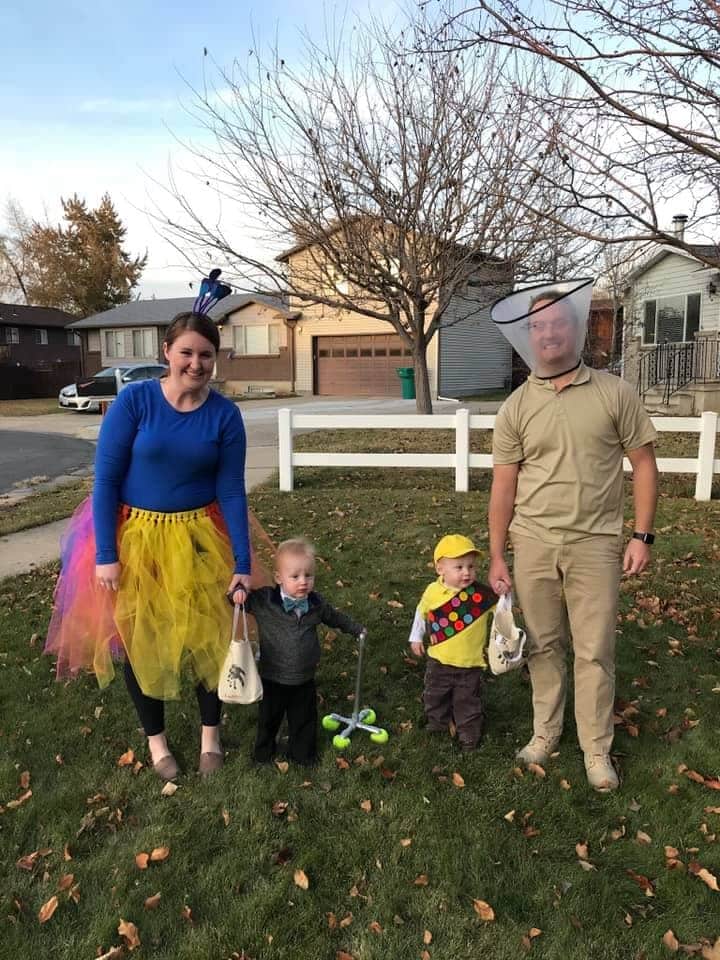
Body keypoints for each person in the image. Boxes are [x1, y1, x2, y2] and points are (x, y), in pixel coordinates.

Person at [45, 306, 252, 781]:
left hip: (200, 535)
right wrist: (105, 555)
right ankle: (157, 742)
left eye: (206, 354)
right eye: (186, 353)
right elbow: (106, 481)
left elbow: (232, 489)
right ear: (167, 352)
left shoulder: (224, 416)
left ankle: (210, 735)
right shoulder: (135, 403)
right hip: (134, 537)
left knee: (209, 638)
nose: (196, 364)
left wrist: (241, 559)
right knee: (141, 640)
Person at [489, 287, 658, 791]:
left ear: (574, 327)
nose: (547, 332)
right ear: (528, 335)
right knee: (543, 646)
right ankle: (545, 734)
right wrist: (497, 552)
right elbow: (504, 484)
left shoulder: (614, 393)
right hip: (533, 541)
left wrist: (642, 535)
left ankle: (596, 750)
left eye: (555, 322)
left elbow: (645, 464)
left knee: (594, 650)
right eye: (536, 326)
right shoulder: (515, 408)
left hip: (598, 543)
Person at [232, 537, 365, 767]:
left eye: (308, 576)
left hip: (304, 677)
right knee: (269, 718)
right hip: (272, 676)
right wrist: (237, 593)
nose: (303, 582)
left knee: (303, 719)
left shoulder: (315, 604)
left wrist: (356, 629)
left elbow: (334, 617)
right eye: (295, 577)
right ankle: (263, 753)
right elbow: (236, 600)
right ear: (279, 578)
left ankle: (303, 755)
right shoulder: (265, 601)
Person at [408, 534, 497, 751]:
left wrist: (505, 594)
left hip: (470, 663)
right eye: (459, 567)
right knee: (435, 694)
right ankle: (437, 723)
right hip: (439, 660)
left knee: (467, 701)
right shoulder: (433, 592)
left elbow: (502, 609)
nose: (467, 572)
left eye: (471, 566)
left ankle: (469, 733)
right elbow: (421, 613)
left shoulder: (481, 595)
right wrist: (416, 637)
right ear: (440, 569)